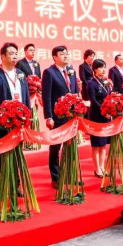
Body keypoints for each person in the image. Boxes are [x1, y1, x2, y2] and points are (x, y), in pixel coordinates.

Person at [0, 42, 31, 191]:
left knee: (17, 154)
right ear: (3, 56)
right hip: (1, 123)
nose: (14, 56)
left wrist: (28, 118)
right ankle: (0, 187)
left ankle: (15, 185)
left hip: (18, 123)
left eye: (16, 53)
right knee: (0, 155)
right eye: (11, 53)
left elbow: (26, 97)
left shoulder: (21, 74)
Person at [42, 45, 79, 189]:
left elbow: (75, 92)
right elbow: (47, 96)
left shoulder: (71, 71)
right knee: (55, 148)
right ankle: (56, 177)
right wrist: (48, 116)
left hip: (71, 117)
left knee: (70, 148)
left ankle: (70, 175)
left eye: (67, 53)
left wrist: (77, 110)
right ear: (55, 57)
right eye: (62, 54)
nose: (66, 55)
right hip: (57, 117)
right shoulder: (49, 72)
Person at [86, 59, 112, 176]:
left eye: (104, 67)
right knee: (97, 144)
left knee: (103, 144)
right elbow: (93, 100)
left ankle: (102, 166)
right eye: (101, 67)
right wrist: (104, 111)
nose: (103, 69)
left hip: (106, 116)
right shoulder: (91, 83)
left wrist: (110, 110)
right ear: (95, 70)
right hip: (96, 115)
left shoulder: (105, 82)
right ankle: (97, 169)